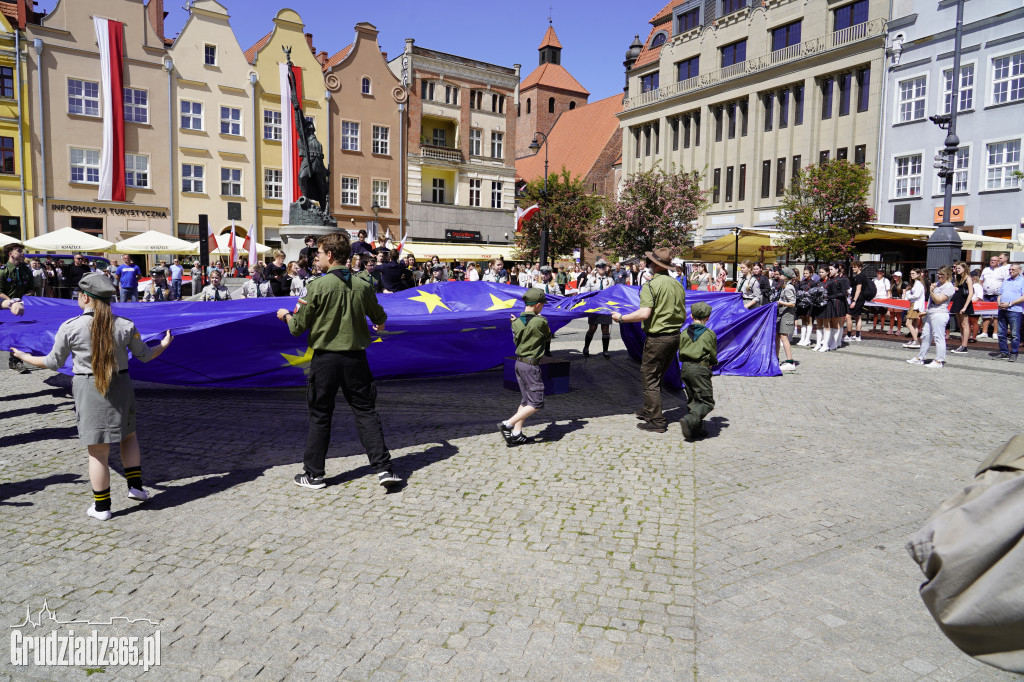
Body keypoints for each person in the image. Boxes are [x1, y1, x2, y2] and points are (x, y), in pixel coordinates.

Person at [9, 273, 173, 520]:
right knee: (128, 436)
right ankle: (136, 488)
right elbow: (146, 355)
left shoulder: (70, 326)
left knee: (97, 451)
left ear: (84, 297)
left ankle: (102, 507)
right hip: (122, 384)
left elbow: (53, 362)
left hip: (89, 387)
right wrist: (165, 343)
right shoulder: (125, 325)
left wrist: (23, 357)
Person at [276, 232, 401, 489]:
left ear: (330, 255)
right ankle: (384, 469)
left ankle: (314, 474)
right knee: (365, 412)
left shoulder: (316, 286)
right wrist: (378, 323)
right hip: (356, 359)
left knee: (321, 414)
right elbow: (379, 317)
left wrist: (286, 315)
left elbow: (297, 328)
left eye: (319, 253)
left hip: (326, 360)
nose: (316, 258)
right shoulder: (363, 284)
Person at [612, 247, 687, 433]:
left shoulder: (651, 285)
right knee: (657, 376)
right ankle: (648, 410)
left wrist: (621, 318)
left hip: (658, 338)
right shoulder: (677, 284)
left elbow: (644, 313)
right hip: (674, 336)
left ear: (654, 264)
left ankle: (657, 421)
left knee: (650, 378)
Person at [498, 287, 552, 447]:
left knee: (525, 400)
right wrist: (542, 320)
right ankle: (507, 425)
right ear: (537, 305)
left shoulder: (516, 321)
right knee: (536, 402)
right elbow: (548, 337)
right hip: (530, 365)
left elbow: (521, 332)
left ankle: (517, 433)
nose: (543, 307)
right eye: (542, 304)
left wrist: (517, 321)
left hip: (519, 363)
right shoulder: (540, 321)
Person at [678, 301, 717, 441]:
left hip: (686, 367)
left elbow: (681, 351)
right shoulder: (709, 334)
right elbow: (712, 353)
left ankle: (695, 429)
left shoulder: (683, 333)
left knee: (693, 399)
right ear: (708, 317)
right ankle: (690, 420)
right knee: (706, 401)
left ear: (692, 315)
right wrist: (712, 363)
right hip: (700, 368)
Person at [907, 265, 955, 368]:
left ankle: (939, 360)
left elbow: (938, 300)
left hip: (940, 314)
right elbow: (931, 301)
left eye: (942, 274)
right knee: (925, 336)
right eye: (938, 273)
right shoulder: (937, 284)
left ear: (948, 275)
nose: (939, 276)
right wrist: (926, 311)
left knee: (938, 337)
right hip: (931, 313)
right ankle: (920, 357)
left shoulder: (949, 286)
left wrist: (931, 291)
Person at [580, 259, 615, 358]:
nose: (601, 268)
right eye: (599, 267)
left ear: (606, 268)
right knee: (592, 328)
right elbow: (586, 292)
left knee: (605, 329)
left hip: (605, 307)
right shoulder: (591, 279)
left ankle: (605, 351)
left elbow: (613, 294)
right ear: (596, 268)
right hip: (594, 307)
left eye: (603, 266)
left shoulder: (610, 280)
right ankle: (586, 347)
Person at [996, 262, 1024, 361]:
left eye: (1013, 270)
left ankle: (1014, 353)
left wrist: (1010, 303)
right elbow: (1000, 294)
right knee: (1001, 332)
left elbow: (1023, 297)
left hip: (1015, 310)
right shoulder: (1006, 281)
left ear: (1019, 270)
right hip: (1002, 309)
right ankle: (1004, 352)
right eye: (1010, 270)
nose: (1011, 271)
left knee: (1015, 334)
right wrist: (999, 302)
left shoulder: (1022, 281)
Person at [978, 256, 1007, 340]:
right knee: (985, 314)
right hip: (986, 294)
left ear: (998, 262)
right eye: (991, 260)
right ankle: (984, 332)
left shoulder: (1002, 270)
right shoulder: (986, 269)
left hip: (997, 295)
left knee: (996, 315)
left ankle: (995, 333)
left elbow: (1005, 282)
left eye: (995, 260)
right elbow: (981, 281)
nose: (992, 261)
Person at [949, 261, 974, 355]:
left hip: (964, 302)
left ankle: (964, 345)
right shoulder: (958, 278)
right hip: (958, 302)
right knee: (960, 324)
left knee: (965, 324)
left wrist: (965, 306)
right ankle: (962, 344)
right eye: (956, 268)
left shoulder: (968, 278)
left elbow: (971, 293)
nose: (957, 270)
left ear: (964, 268)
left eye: (959, 268)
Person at [776, 267, 798, 371]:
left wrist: (780, 303)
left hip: (787, 314)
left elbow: (792, 303)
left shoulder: (789, 287)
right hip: (781, 313)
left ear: (786, 276)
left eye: (781, 274)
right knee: (777, 336)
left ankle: (790, 361)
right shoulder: (784, 286)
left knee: (784, 337)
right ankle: (775, 358)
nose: (778, 275)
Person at [845, 261, 871, 342]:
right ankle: (857, 335)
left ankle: (849, 335)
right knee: (858, 317)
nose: (853, 268)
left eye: (855, 267)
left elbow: (858, 290)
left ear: (860, 267)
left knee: (848, 316)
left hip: (858, 299)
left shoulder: (859, 276)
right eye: (852, 267)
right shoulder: (861, 276)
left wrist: (854, 301)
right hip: (860, 298)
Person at [903, 268, 926, 349]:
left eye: (913, 273)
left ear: (918, 274)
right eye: (911, 273)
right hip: (915, 305)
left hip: (915, 305)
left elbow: (916, 295)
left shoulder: (918, 283)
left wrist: (908, 296)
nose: (911, 275)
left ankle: (916, 340)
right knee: (914, 324)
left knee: (908, 323)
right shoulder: (917, 283)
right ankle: (914, 340)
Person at [869, 268, 891, 333]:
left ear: (883, 273)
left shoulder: (886, 280)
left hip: (883, 299)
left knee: (882, 314)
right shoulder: (874, 280)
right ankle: (874, 327)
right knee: (875, 314)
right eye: (878, 272)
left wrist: (888, 298)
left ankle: (882, 328)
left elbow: (888, 290)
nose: (879, 274)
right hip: (875, 299)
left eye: (880, 273)